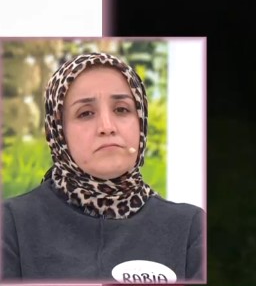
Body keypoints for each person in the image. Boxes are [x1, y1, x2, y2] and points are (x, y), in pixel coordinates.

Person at [1, 52, 204, 282]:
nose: (107, 127)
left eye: (122, 109)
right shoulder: (12, 225)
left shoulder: (189, 228)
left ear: (141, 121)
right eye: (85, 113)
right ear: (57, 131)